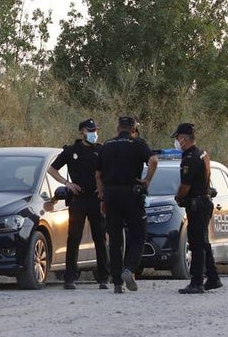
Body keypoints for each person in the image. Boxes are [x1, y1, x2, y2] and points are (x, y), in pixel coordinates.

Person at [94, 116, 156, 293]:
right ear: (133, 129)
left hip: (111, 195)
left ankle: (116, 283)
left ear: (117, 128)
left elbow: (98, 175)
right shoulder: (138, 144)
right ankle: (128, 269)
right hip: (132, 194)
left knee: (114, 239)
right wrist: (147, 180)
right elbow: (153, 161)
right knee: (138, 235)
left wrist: (102, 198)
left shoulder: (106, 145)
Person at [48, 119, 109, 290]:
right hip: (78, 199)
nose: (94, 133)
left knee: (100, 237)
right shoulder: (71, 151)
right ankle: (70, 278)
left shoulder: (101, 150)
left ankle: (104, 277)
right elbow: (52, 169)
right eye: (90, 130)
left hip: (96, 199)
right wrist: (67, 184)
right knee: (74, 237)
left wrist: (102, 189)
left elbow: (108, 171)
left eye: (96, 129)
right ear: (82, 131)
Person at [173, 122, 222, 294]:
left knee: (196, 243)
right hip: (204, 201)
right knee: (203, 241)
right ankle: (213, 277)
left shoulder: (189, 157)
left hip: (197, 203)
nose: (177, 141)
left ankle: (196, 282)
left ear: (184, 139)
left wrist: (178, 197)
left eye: (178, 138)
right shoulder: (203, 153)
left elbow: (186, 185)